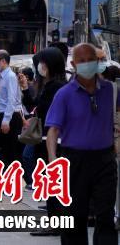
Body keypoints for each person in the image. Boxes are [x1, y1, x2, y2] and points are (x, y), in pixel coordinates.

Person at [45, 43, 118, 244]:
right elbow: (53, 130)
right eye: (82, 61)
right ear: (73, 64)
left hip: (105, 159)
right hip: (73, 160)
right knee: (74, 216)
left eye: (91, 60)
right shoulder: (65, 94)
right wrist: (53, 161)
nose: (87, 64)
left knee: (105, 214)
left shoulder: (110, 91)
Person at [28, 47, 68, 238]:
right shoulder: (52, 85)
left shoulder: (55, 88)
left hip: (52, 142)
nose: (40, 67)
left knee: (53, 184)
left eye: (42, 63)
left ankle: (56, 223)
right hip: (47, 140)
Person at [0, 50, 23, 166]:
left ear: (3, 61)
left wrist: (6, 120)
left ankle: (7, 172)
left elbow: (11, 99)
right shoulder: (1, 76)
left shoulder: (10, 76)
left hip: (10, 116)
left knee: (3, 149)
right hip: (4, 115)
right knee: (2, 149)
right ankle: (6, 173)